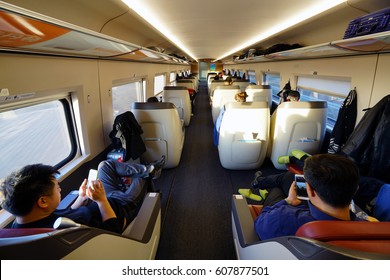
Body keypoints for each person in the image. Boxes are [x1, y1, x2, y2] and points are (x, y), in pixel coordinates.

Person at [0, 156, 165, 233]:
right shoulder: (67, 229)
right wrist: (101, 201)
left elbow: (67, 213)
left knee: (105, 165)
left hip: (97, 199)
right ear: (43, 201)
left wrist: (82, 197)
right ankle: (148, 171)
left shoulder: (25, 221)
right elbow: (114, 228)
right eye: (56, 187)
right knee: (141, 177)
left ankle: (148, 169)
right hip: (119, 206)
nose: (60, 189)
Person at [252, 154, 367, 240]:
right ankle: (261, 184)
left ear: (309, 190)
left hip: (275, 216)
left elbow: (259, 222)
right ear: (356, 189)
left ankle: (260, 185)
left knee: (278, 188)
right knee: (288, 178)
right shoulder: (368, 229)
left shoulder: (283, 218)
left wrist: (288, 202)